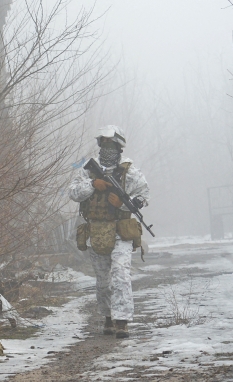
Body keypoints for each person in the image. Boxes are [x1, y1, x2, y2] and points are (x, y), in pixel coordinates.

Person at [68, 125, 150, 339]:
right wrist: (93, 184)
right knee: (103, 281)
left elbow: (143, 195)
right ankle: (108, 318)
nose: (107, 149)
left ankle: (122, 321)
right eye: (103, 144)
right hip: (96, 230)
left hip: (120, 231)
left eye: (111, 145)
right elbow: (73, 192)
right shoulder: (87, 170)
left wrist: (125, 204)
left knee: (121, 275)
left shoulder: (129, 171)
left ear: (119, 147)